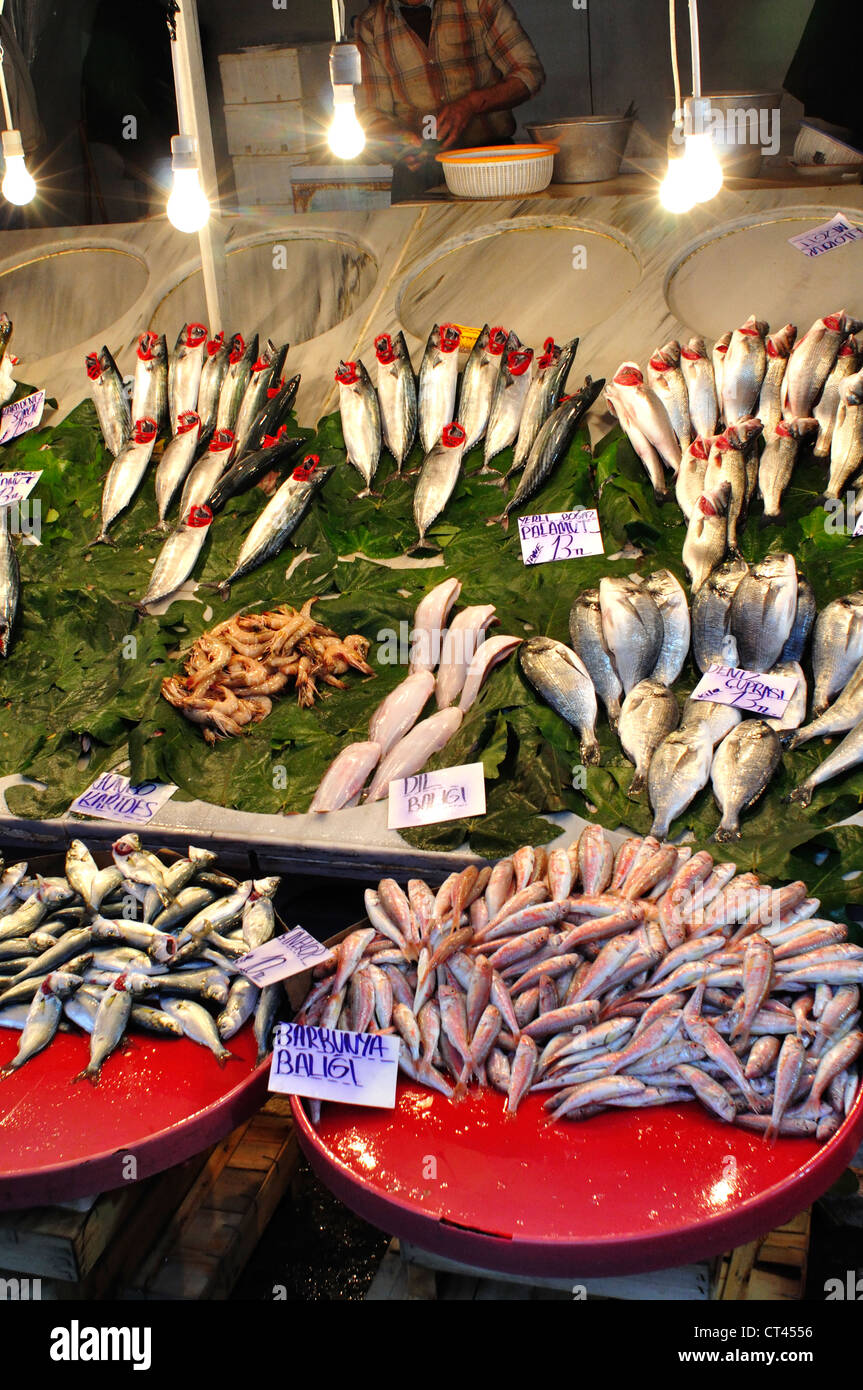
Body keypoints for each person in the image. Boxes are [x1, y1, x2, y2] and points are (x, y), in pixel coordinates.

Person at [353, 0, 545, 199]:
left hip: (492, 165)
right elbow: (370, 112)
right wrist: (398, 140)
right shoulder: (370, 24)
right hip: (418, 175)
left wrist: (471, 104)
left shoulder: (479, 3)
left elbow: (529, 74)